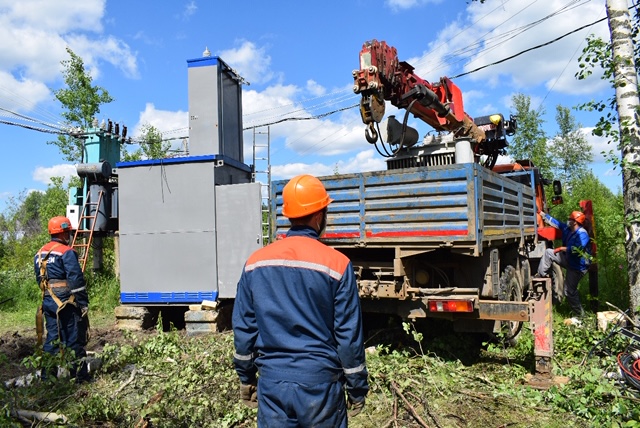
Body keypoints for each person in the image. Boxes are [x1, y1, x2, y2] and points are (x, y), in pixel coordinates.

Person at [232, 174, 369, 427]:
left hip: (273, 387)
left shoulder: (255, 263)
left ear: (289, 215)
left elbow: (244, 329)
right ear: (318, 216)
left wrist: (246, 377)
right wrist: (357, 388)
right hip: (321, 388)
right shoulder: (337, 264)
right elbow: (348, 337)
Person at [34, 216, 90, 382]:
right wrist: (82, 303)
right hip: (66, 302)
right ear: (64, 233)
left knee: (52, 338)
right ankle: (79, 377)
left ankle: (48, 378)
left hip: (48, 301)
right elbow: (76, 280)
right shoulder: (66, 252)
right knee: (73, 337)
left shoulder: (40, 254)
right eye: (69, 233)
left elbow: (40, 280)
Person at [536, 210, 591, 318]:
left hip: (578, 267)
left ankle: (581, 316)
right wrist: (542, 214)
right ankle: (541, 275)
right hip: (569, 259)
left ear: (575, 222)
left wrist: (562, 248)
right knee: (549, 253)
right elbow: (556, 223)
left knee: (569, 291)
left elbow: (577, 249)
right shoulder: (567, 228)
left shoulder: (582, 234)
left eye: (570, 219)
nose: (568, 220)